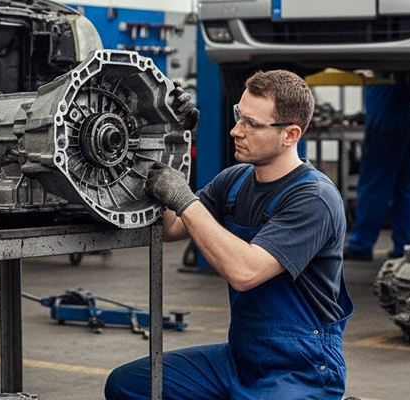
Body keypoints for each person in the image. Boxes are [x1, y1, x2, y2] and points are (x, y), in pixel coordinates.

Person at [105, 70, 353, 400]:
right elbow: (170, 227)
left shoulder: (313, 198)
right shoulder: (234, 182)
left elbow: (245, 271)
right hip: (240, 357)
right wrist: (167, 137)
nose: (236, 130)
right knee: (129, 385)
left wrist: (184, 200)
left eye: (252, 124)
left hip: (300, 367)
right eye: (239, 116)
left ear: (290, 134)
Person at [344, 73, 410, 261]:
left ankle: (361, 244)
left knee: (374, 186)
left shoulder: (384, 62)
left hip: (384, 122)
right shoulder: (406, 64)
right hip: (406, 120)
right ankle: (405, 245)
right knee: (403, 187)